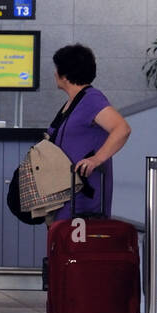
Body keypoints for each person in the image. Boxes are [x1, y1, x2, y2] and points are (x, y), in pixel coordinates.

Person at [47, 43, 131, 220]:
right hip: (66, 193)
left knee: (77, 245)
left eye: (56, 69)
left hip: (83, 197)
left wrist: (96, 159)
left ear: (65, 74)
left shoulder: (91, 99)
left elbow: (122, 128)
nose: (54, 73)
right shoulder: (74, 101)